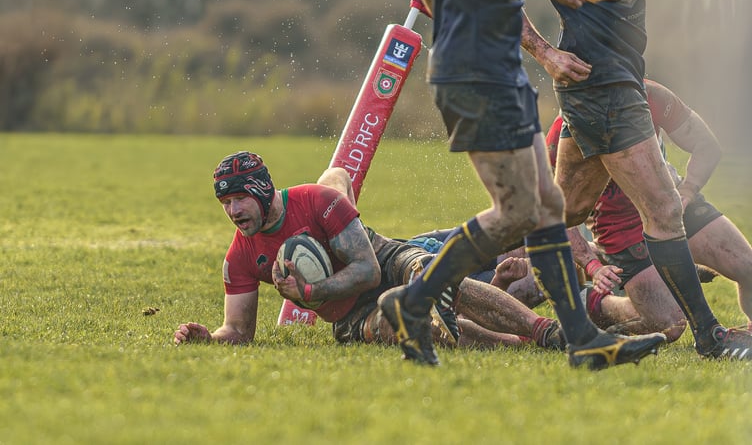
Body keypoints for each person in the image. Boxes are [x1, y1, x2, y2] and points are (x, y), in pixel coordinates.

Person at [376, 0, 666, 369]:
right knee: (516, 212)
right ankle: (413, 302)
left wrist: (460, 20)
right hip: (478, 68)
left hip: (495, 62)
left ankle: (583, 341)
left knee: (546, 205)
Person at [521, 0, 752, 359]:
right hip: (600, 86)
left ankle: (483, 271)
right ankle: (709, 336)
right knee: (663, 209)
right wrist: (545, 53)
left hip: (617, 81)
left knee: (562, 214)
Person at [173, 155, 564, 351]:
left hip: (388, 260)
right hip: (351, 316)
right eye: (225, 203)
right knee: (416, 329)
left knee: (435, 273)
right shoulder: (240, 257)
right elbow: (239, 331)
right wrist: (210, 338)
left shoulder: (317, 201)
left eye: (240, 198)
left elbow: (369, 270)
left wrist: (308, 294)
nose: (233, 211)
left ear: (260, 190)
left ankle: (544, 331)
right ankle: (515, 346)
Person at [546, 80, 752, 343]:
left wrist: (687, 191)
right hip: (620, 227)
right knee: (670, 324)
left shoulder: (650, 95)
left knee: (747, 266)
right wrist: (592, 265)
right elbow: (558, 218)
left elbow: (706, 145)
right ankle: (594, 303)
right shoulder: (565, 130)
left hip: (669, 201)